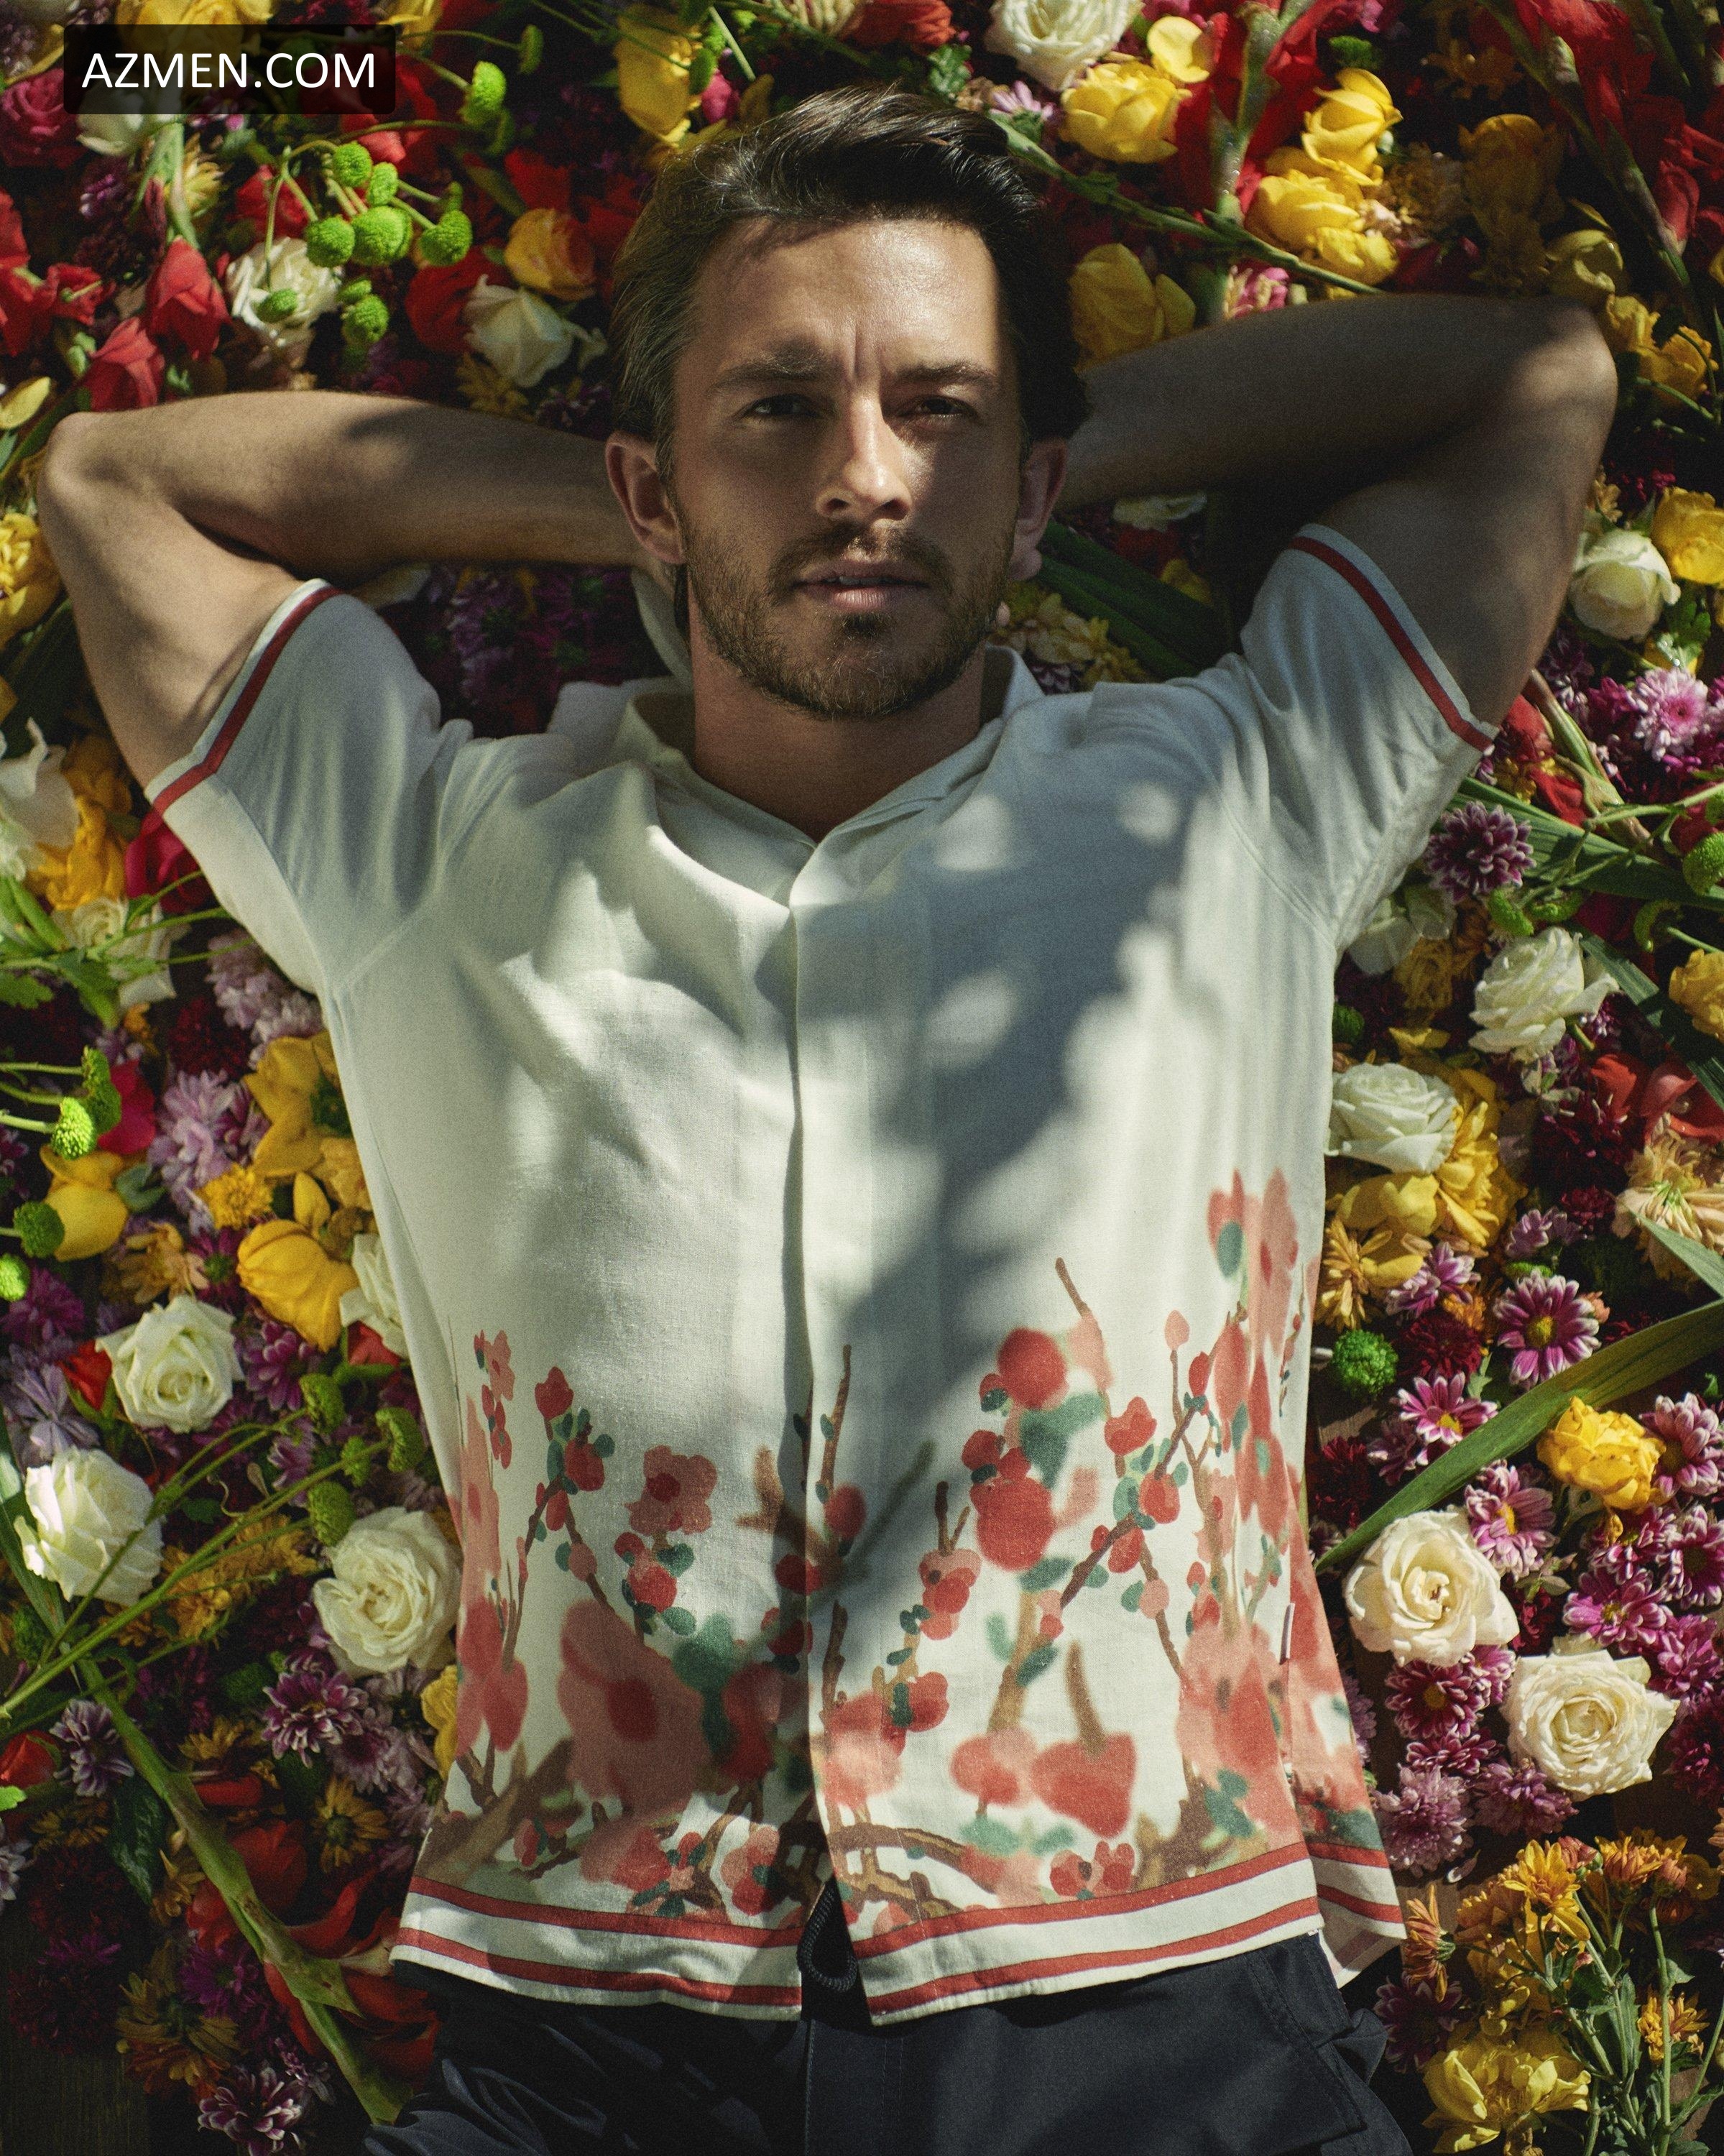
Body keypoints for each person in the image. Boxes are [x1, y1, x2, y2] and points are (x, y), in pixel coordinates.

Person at [38, 83, 1615, 2156]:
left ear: (1030, 480)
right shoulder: (429, 858)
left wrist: (1007, 469)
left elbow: (1537, 373)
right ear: (653, 478)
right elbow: (113, 479)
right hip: (593, 2048)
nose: (866, 475)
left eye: (934, 410)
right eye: (779, 408)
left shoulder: (1240, 801)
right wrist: (693, 503)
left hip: (1162, 2016)